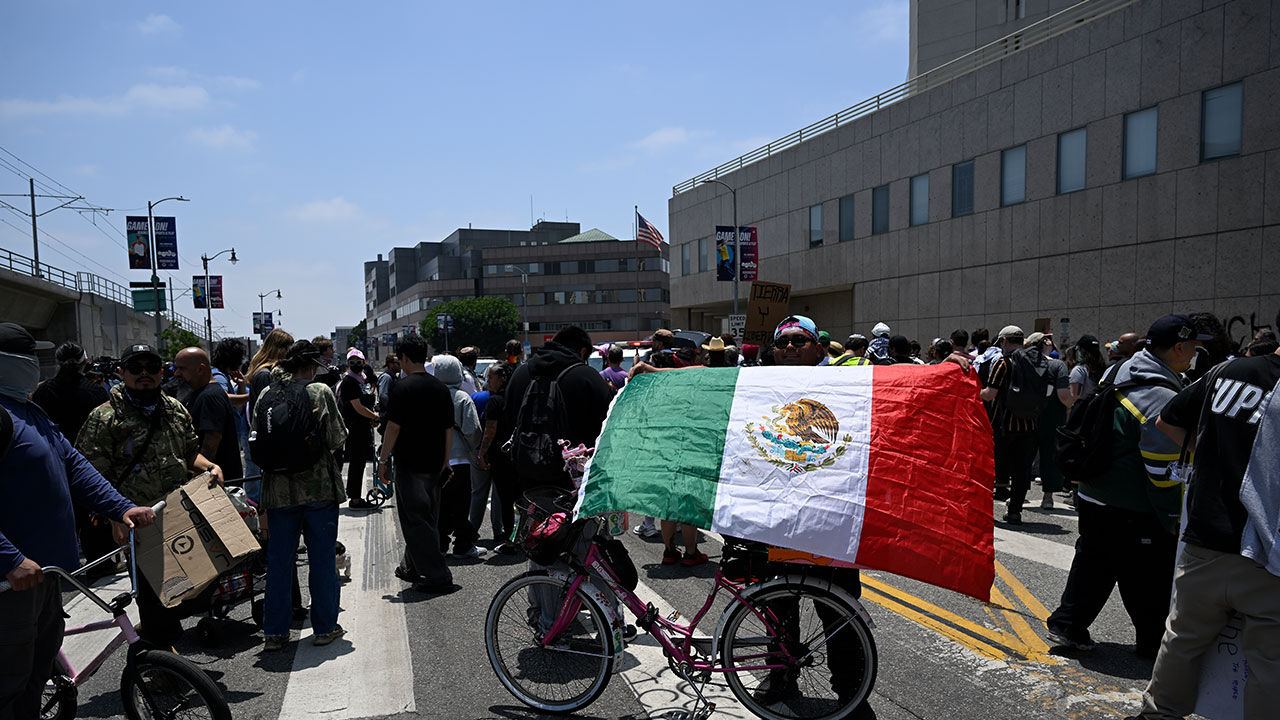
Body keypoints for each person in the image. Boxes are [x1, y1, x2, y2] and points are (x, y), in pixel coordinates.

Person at [0, 323, 156, 720]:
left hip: (47, 574)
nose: (37, 365)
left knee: (35, 676)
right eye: (29, 357)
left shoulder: (29, 411)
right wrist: (8, 558)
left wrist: (121, 507)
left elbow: (74, 466)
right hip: (11, 583)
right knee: (8, 683)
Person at [1124, 322, 1280, 720]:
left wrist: (1209, 453)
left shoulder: (1227, 373)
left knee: (1183, 638)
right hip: (1270, 554)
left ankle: (1159, 713)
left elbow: (1167, 421)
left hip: (1207, 536)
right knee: (1270, 661)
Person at [1046, 315, 1206, 657]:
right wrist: (1171, 516)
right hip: (1130, 501)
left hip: (1094, 490)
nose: (1196, 352)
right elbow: (1161, 466)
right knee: (1148, 574)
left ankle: (1068, 622)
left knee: (1095, 559)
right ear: (1179, 347)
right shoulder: (1159, 395)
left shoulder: (1120, 370)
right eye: (1193, 345)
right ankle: (1152, 643)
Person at [76, 343, 223, 647]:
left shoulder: (175, 409)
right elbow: (90, 474)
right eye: (135, 368)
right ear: (122, 373)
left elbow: (187, 453)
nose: (144, 375)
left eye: (151, 368)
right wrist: (113, 515)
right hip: (136, 522)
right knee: (154, 595)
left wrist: (209, 466)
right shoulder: (104, 418)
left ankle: (165, 647)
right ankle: (159, 666)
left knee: (196, 583)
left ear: (161, 372)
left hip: (178, 514)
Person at [254, 340, 349, 651]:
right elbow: (336, 437)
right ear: (311, 366)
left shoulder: (267, 394)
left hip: (278, 492)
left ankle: (275, 633)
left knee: (280, 561)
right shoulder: (319, 392)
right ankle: (324, 628)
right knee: (321, 558)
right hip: (318, 488)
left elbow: (258, 437)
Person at [377, 334, 458, 592]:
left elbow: (393, 427)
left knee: (416, 521)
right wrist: (446, 461)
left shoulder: (401, 388)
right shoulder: (440, 388)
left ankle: (439, 576)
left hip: (410, 463)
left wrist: (382, 459)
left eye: (400, 358)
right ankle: (410, 567)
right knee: (427, 519)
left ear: (404, 357)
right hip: (436, 463)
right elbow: (448, 429)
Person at [31, 341, 114, 567]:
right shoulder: (96, 392)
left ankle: (60, 567)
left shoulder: (42, 391)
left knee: (61, 515)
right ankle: (100, 564)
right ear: (85, 362)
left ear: (57, 362)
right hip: (90, 463)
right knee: (94, 513)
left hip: (53, 461)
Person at [504, 326, 613, 492]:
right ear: (583, 351)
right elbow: (608, 428)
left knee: (527, 515)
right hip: (574, 479)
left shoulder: (520, 374)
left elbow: (508, 419)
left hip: (525, 475)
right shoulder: (588, 377)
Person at [979, 326, 1071, 524]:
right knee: (1022, 470)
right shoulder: (1039, 363)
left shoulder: (1002, 363)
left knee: (991, 467)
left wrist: (977, 392)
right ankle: (1015, 511)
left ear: (1004, 341)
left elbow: (990, 394)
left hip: (1003, 426)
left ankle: (985, 512)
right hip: (1029, 425)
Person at [432, 354, 483, 559]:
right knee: (461, 504)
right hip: (460, 459)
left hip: (436, 460)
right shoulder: (462, 397)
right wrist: (469, 448)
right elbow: (473, 430)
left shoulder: (431, 397)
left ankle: (441, 545)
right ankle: (463, 546)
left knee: (441, 505)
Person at [173, 347, 244, 483]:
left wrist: (197, 478)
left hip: (216, 482)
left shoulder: (210, 396)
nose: (176, 373)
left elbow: (211, 441)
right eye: (175, 369)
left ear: (200, 369)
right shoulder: (199, 393)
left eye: (182, 369)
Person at [473, 363, 518, 552]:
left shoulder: (494, 401)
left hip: (500, 455)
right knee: (515, 499)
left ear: (501, 379)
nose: (487, 380)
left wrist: (481, 453)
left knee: (506, 501)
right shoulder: (514, 397)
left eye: (491, 377)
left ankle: (510, 540)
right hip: (515, 453)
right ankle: (518, 536)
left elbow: (490, 431)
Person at [337, 348, 379, 510]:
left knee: (360, 462)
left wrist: (370, 418)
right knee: (356, 462)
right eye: (352, 362)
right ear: (347, 364)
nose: (355, 365)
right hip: (354, 428)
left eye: (358, 362)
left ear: (364, 362)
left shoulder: (362, 379)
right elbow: (358, 407)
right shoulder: (349, 381)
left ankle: (355, 496)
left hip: (363, 426)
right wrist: (374, 417)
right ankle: (355, 499)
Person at [211, 339, 253, 477]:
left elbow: (237, 406)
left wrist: (241, 385)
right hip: (224, 441)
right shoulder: (219, 377)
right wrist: (251, 396)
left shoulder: (222, 375)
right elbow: (223, 398)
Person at [1068, 335, 1106, 402]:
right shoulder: (1104, 368)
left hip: (1082, 410)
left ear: (1081, 350)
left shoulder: (1079, 370)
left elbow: (1074, 396)